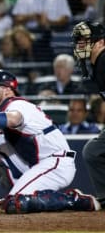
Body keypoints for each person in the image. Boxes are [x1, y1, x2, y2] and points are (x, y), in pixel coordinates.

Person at [0, 69, 100, 214]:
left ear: (7, 89)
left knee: (16, 202)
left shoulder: (17, 104)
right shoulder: (9, 106)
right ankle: (19, 193)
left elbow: (14, 119)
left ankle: (77, 200)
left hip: (56, 162)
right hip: (41, 163)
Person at [72, 20, 105, 209]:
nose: (80, 45)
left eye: (85, 40)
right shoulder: (98, 64)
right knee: (93, 151)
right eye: (78, 41)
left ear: (100, 42)